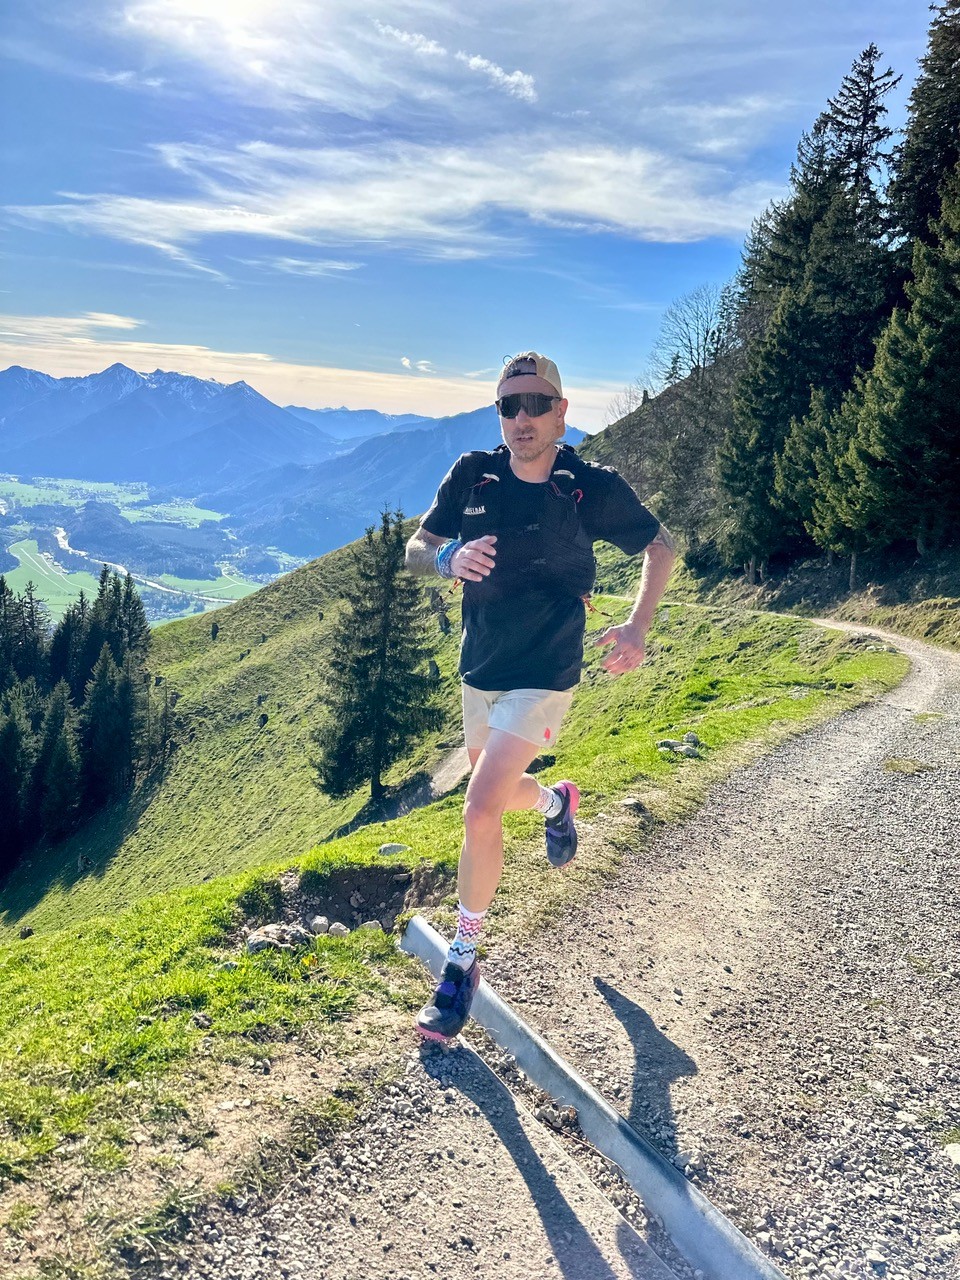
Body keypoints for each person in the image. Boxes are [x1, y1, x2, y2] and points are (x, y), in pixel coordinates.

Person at [404, 352, 676, 1040]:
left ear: (560, 412)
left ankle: (462, 964)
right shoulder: (473, 474)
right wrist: (446, 558)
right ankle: (557, 803)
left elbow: (661, 546)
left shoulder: (588, 487)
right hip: (480, 666)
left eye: (535, 404)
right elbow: (415, 547)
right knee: (495, 794)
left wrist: (637, 627)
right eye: (509, 405)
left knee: (477, 807)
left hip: (547, 671)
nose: (521, 418)